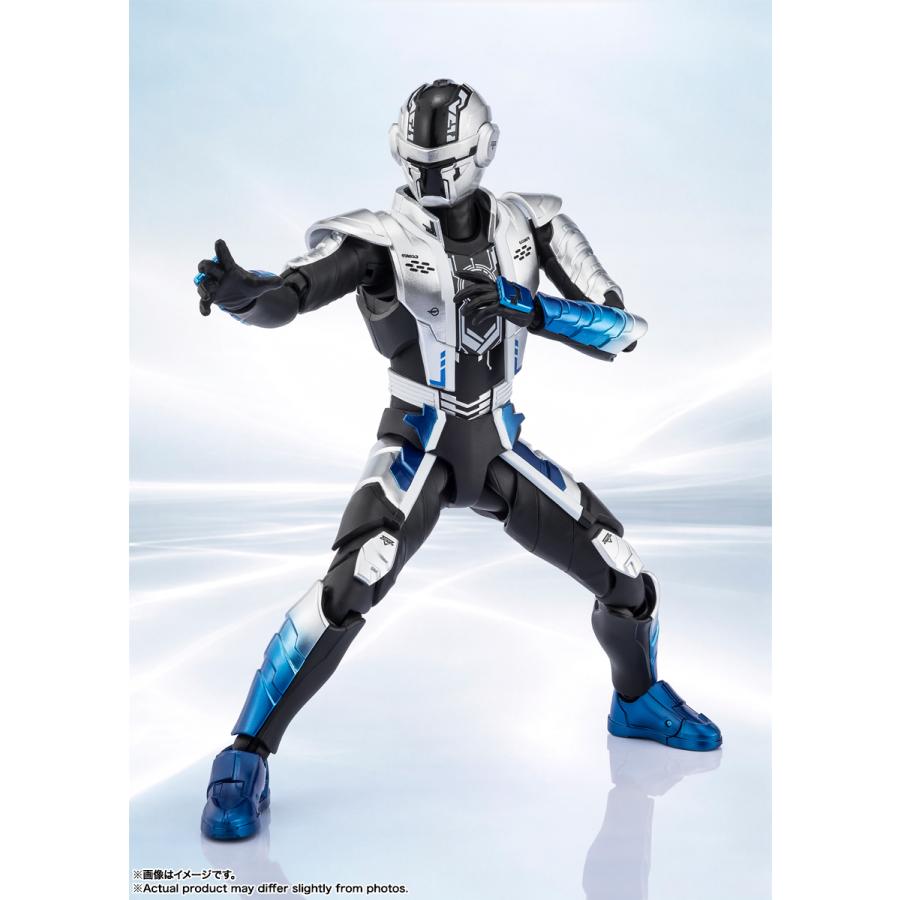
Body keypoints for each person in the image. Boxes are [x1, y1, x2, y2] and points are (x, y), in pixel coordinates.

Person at [194, 79, 721, 841]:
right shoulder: (377, 238)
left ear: (483, 150)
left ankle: (637, 702)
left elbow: (623, 329)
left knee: (626, 575)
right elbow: (293, 293)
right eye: (416, 163)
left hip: (499, 441)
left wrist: (530, 307)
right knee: (354, 580)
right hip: (417, 440)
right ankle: (245, 751)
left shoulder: (533, 224)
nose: (430, 178)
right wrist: (244, 295)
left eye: (444, 163)